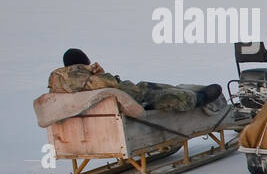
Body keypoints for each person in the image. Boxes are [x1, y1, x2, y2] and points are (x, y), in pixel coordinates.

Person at [48, 48, 221, 112]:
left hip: (120, 101)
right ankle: (196, 99)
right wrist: (100, 73)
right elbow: (112, 84)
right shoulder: (87, 79)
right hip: (134, 100)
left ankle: (186, 92)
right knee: (160, 92)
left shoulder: (60, 85)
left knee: (151, 87)